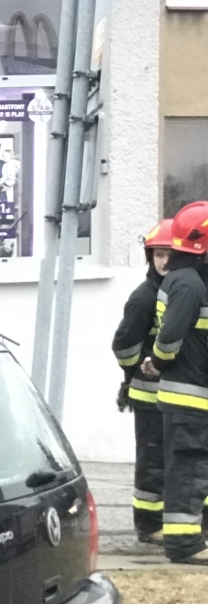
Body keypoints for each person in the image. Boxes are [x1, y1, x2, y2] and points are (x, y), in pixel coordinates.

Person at [143, 201, 208, 564]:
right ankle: (184, 544)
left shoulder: (189, 280)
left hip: (195, 399)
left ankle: (196, 534)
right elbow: (168, 340)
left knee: (198, 470)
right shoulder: (188, 284)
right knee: (188, 469)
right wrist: (160, 361)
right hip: (189, 401)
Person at [111, 219, 176, 543]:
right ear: (150, 257)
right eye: (158, 255)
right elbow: (122, 344)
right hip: (150, 397)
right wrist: (139, 367)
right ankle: (149, 526)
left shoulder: (174, 290)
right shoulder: (144, 297)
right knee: (152, 461)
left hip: (171, 396)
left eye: (169, 254)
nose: (164, 261)